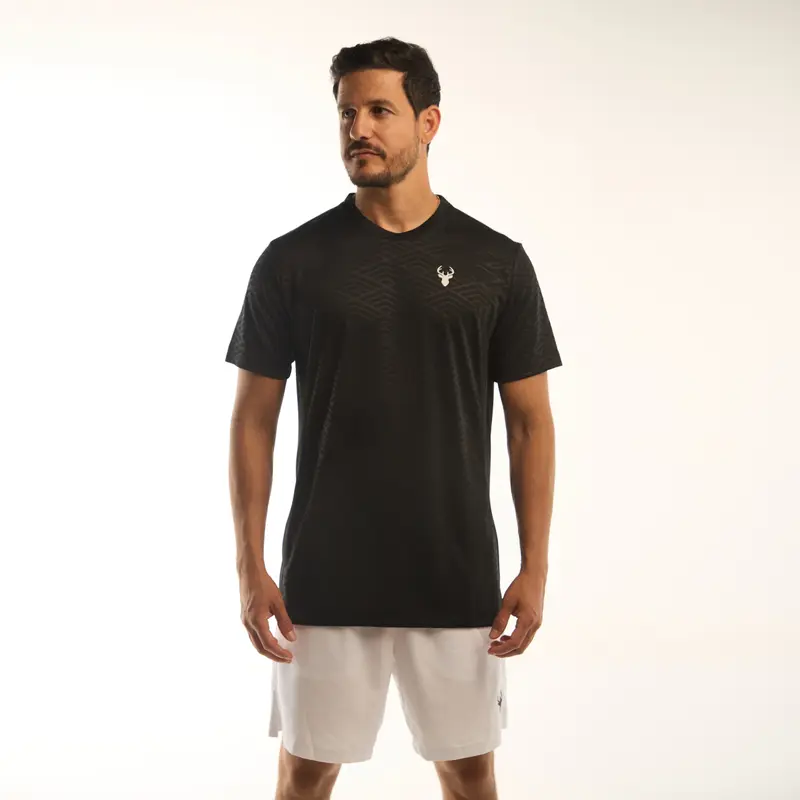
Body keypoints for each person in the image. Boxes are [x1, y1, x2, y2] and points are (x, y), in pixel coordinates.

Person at [225, 36, 562, 800]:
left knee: (470, 775)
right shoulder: (292, 262)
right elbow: (252, 420)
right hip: (325, 578)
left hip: (455, 575)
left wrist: (535, 567)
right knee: (305, 775)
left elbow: (531, 425)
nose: (359, 129)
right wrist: (250, 567)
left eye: (380, 110)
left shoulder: (496, 263)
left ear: (429, 122)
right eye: (347, 113)